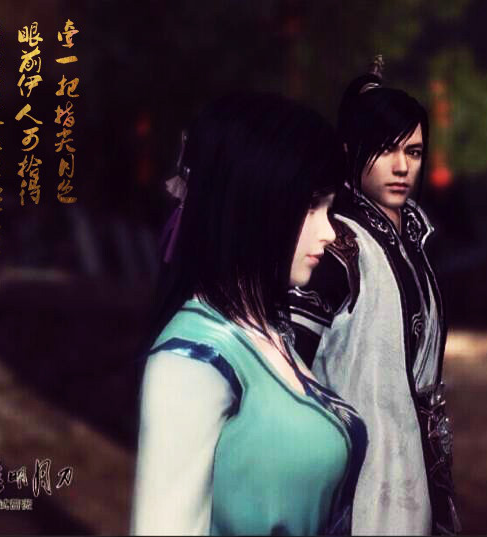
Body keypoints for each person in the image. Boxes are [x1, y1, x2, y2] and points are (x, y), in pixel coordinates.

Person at [131, 92, 367, 536]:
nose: (329, 231)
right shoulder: (192, 358)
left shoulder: (267, 331)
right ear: (257, 203)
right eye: (312, 205)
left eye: (329, 207)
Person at [288, 57, 459, 535]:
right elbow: (289, 364)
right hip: (357, 474)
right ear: (352, 151)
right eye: (385, 150)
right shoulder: (337, 245)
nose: (402, 166)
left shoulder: (413, 241)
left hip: (418, 463)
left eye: (414, 151)